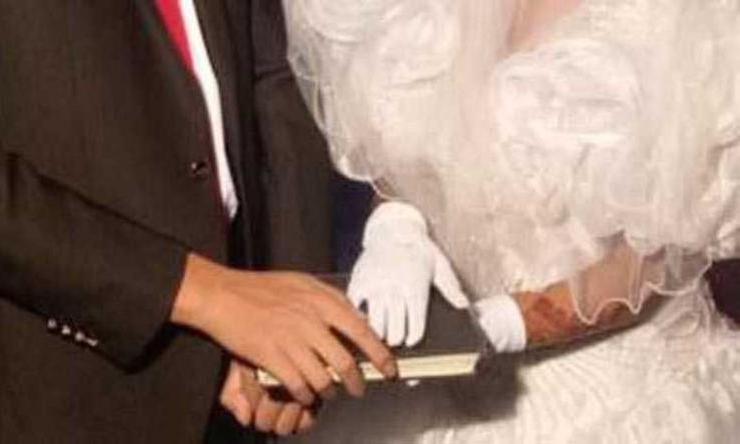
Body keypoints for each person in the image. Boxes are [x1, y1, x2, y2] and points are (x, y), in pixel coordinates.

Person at [282, 0, 740, 442]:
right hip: (438, 385)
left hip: (613, 395)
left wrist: (502, 323)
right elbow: (403, 151)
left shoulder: (693, 21)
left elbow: (657, 258)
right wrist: (397, 226)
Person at [0, 1, 396, 443]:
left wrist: (292, 331)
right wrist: (205, 294)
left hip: (246, 385)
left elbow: (274, 74)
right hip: (68, 386)